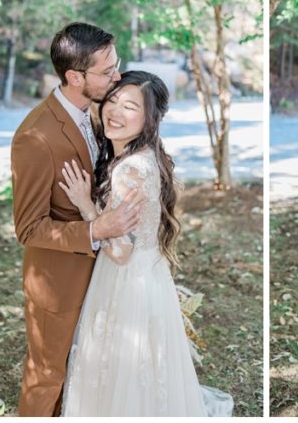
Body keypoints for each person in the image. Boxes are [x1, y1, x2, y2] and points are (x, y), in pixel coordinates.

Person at [57, 71, 233, 416]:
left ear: (149, 118)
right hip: (150, 277)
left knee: (121, 373)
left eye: (130, 107)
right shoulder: (147, 157)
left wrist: (84, 205)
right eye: (112, 101)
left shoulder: (129, 170)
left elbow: (120, 251)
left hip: (125, 284)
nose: (115, 113)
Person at [10, 22, 141, 416]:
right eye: (107, 71)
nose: (117, 77)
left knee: (85, 370)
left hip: (105, 275)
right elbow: (28, 228)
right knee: (47, 374)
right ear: (74, 76)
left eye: (116, 66)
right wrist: (95, 228)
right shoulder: (35, 137)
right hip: (58, 283)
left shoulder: (99, 111)